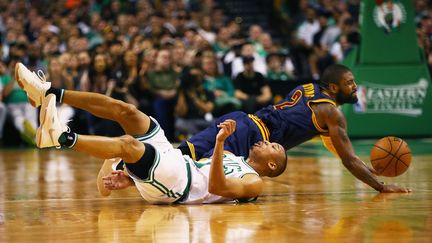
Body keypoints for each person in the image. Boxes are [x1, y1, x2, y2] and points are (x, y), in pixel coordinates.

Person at [15, 62, 287, 204]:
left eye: (273, 146)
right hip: (176, 164)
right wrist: (133, 181)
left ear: (272, 164)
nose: (267, 141)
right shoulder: (234, 158)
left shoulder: (254, 183)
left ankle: (62, 138)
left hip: (177, 187)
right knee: (126, 111)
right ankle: (48, 91)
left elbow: (216, 187)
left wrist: (218, 144)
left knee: (128, 145)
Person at [179, 64, 411, 193]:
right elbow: (347, 159)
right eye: (349, 82)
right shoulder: (332, 113)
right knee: (207, 174)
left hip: (240, 119)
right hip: (255, 136)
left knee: (180, 154)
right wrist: (380, 187)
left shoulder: (308, 88)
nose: (354, 87)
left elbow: (338, 149)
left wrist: (368, 170)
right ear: (333, 87)